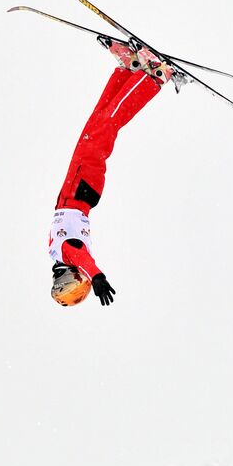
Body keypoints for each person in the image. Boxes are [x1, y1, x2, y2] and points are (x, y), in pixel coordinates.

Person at [49, 43, 173, 307]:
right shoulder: (69, 254)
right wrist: (96, 277)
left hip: (75, 188)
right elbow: (83, 258)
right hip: (82, 188)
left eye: (62, 289)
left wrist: (94, 275)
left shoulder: (56, 254)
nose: (63, 285)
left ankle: (129, 70)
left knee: (97, 122)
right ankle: (154, 78)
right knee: (108, 124)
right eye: (69, 289)